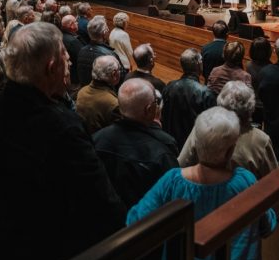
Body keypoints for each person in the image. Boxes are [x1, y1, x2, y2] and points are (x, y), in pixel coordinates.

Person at [0, 22, 125, 260]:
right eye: (65, 56)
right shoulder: (63, 126)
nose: (70, 62)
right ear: (51, 68)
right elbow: (102, 204)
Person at [128, 107, 276, 260]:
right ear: (230, 151)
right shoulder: (245, 181)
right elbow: (268, 226)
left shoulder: (172, 181)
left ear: (196, 144)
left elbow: (135, 220)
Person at [93, 78, 178, 209]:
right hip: (146, 222)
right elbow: (172, 197)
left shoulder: (96, 139)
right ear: (149, 109)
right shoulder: (163, 150)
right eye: (156, 102)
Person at [180, 82, 279, 183]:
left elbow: (182, 164)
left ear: (220, 104)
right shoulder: (261, 140)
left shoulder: (202, 126)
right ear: (251, 108)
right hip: (245, 197)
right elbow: (274, 182)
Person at [161, 48, 216, 151]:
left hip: (171, 145)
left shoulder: (169, 87)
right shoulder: (205, 93)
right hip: (193, 147)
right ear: (199, 64)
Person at [76, 55, 122, 135]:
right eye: (119, 69)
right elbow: (119, 135)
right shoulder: (113, 104)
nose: (120, 72)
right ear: (114, 74)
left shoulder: (82, 91)